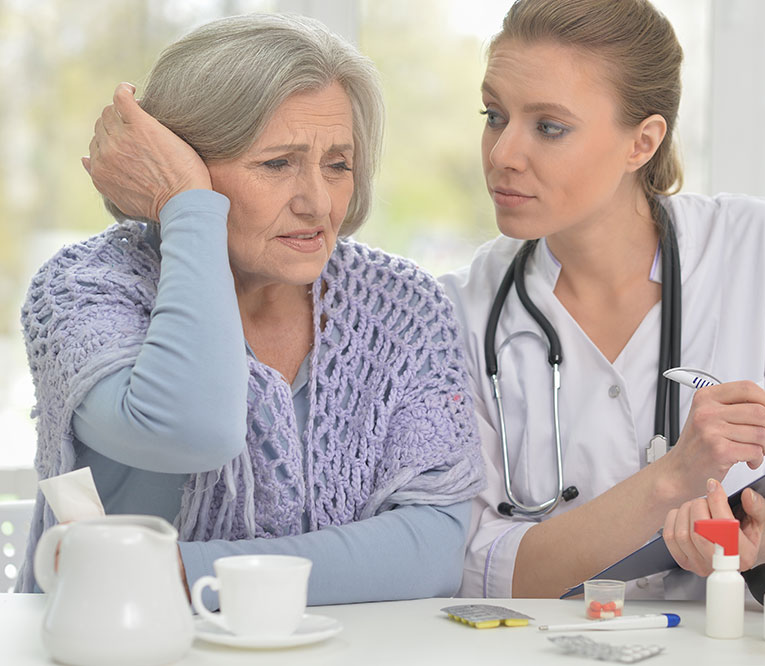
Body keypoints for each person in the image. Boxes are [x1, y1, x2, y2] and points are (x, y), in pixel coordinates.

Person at [17, 13, 484, 604]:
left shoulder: (402, 305)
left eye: (337, 164)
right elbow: (195, 431)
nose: (317, 201)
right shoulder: (87, 291)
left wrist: (179, 574)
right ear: (177, 164)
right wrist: (188, 207)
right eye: (277, 163)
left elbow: (431, 549)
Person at [439, 0, 765, 599]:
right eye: (494, 115)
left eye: (549, 127)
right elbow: (478, 568)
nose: (501, 154)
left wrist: (757, 541)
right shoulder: (459, 311)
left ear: (642, 142)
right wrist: (672, 480)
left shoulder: (763, 251)